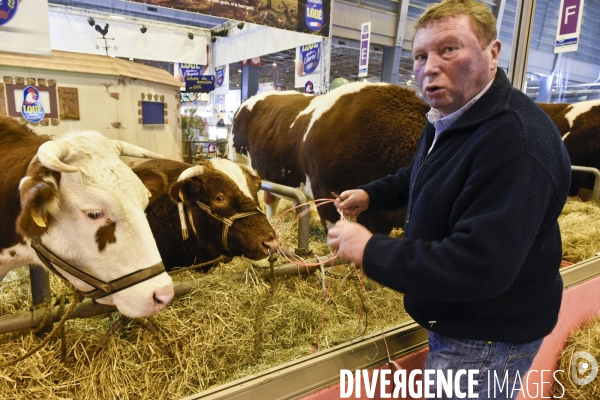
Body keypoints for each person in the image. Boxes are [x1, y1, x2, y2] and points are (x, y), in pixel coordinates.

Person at [327, 0, 571, 398]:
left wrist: (370, 249)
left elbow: (479, 266)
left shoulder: (515, 144)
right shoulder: (452, 115)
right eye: (420, 56)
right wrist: (372, 194)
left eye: (449, 49)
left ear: (492, 53)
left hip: (485, 338)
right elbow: (426, 172)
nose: (430, 68)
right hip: (459, 318)